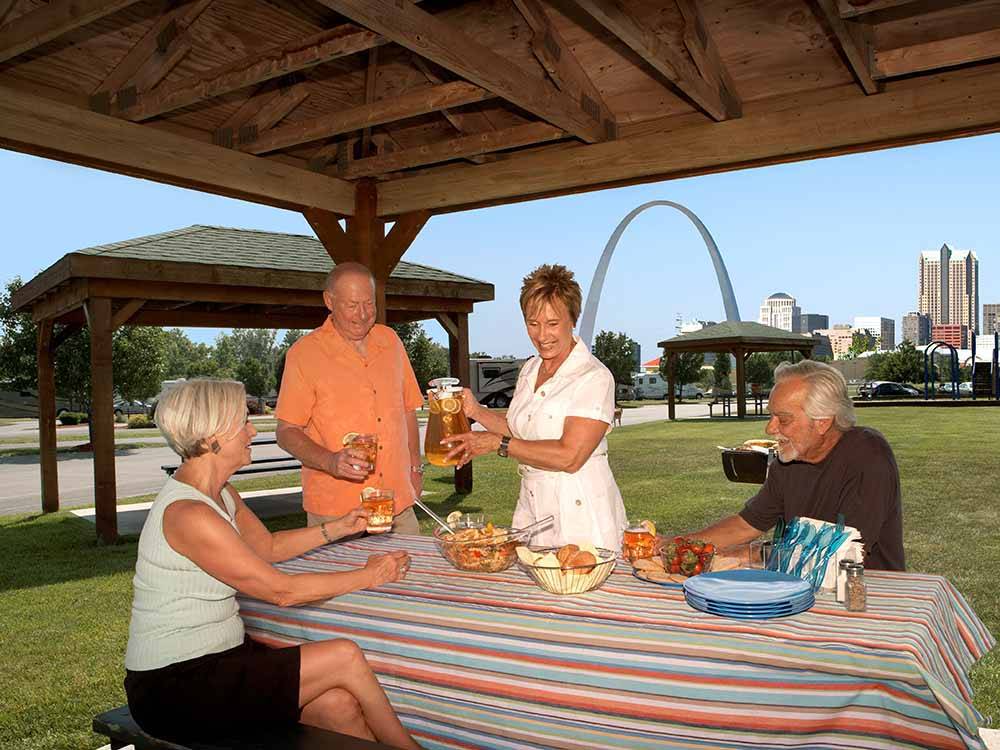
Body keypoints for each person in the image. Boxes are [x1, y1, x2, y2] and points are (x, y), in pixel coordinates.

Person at [124, 378, 419, 748]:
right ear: (210, 439)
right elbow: (282, 591)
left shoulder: (219, 492)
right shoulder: (188, 513)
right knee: (343, 656)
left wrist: (340, 527)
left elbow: (268, 546)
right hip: (176, 686)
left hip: (223, 661)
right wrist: (369, 575)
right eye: (242, 422)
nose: (252, 430)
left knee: (337, 706)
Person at [444, 264, 627, 551]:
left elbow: (570, 456)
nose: (542, 335)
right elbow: (520, 430)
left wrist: (498, 445)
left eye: (553, 323)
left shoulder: (594, 377)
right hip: (533, 511)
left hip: (582, 517)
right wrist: (475, 410)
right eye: (533, 323)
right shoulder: (531, 368)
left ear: (572, 320)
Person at [694, 360, 905, 570]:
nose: (769, 428)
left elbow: (842, 552)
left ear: (822, 421)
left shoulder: (867, 455)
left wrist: (753, 553)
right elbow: (746, 525)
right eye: (771, 416)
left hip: (867, 592)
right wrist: (682, 545)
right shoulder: (788, 462)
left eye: (783, 420)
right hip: (803, 586)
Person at [276, 262, 425, 533]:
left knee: (411, 574)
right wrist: (330, 461)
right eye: (352, 305)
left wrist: (416, 469)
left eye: (369, 304)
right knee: (343, 576)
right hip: (336, 512)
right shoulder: (304, 354)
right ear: (329, 301)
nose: (363, 315)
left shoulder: (391, 341)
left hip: (397, 502)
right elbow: (286, 431)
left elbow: (408, 410)